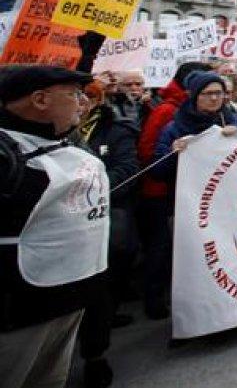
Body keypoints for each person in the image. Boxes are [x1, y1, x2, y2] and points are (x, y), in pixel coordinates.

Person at [0, 67, 109, 388]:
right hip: (22, 309)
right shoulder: (8, 153)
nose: (83, 103)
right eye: (74, 94)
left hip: (72, 296)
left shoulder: (61, 140)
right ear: (40, 99)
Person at [71, 82, 141, 387]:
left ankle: (95, 356)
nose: (80, 103)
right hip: (55, 237)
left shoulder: (116, 130)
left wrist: (92, 191)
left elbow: (128, 167)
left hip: (101, 220)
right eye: (75, 97)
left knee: (97, 288)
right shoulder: (41, 140)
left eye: (84, 97)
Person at [134, 61, 212, 320]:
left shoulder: (227, 117)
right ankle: (156, 301)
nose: (215, 97)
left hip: (205, 195)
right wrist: (173, 153)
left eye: (218, 92)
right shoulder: (168, 113)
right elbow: (149, 153)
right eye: (208, 91)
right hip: (165, 194)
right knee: (163, 249)